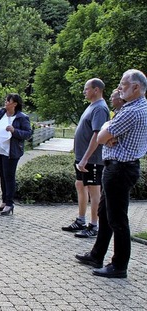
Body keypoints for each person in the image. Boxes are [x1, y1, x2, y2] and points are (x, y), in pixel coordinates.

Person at [76, 69, 147, 278]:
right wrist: (109, 134)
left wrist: (108, 134)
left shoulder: (131, 111)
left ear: (136, 87)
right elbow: (107, 133)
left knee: (117, 219)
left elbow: (101, 136)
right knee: (105, 214)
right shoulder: (137, 107)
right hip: (120, 166)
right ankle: (96, 255)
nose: (119, 88)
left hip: (120, 168)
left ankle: (119, 266)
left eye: (123, 84)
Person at [62, 78, 109, 238]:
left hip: (92, 159)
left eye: (86, 89)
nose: (84, 91)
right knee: (80, 185)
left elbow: (97, 135)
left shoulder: (100, 108)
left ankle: (94, 226)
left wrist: (86, 158)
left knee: (94, 191)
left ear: (96, 90)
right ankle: (80, 220)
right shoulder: (91, 106)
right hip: (82, 158)